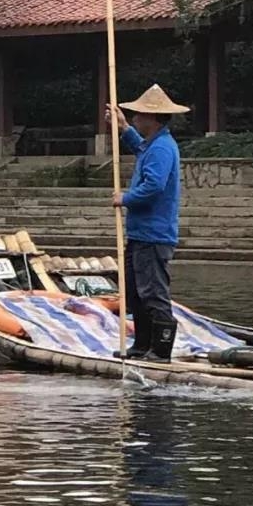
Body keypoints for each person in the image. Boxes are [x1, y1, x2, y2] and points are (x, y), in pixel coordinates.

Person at [106, 83, 189, 363]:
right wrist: (123, 129)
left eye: (139, 116)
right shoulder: (153, 145)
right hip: (141, 233)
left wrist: (125, 198)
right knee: (137, 294)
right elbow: (141, 150)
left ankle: (161, 351)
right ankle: (141, 346)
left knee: (153, 293)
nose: (135, 119)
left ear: (153, 119)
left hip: (155, 234)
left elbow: (154, 186)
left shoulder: (163, 147)